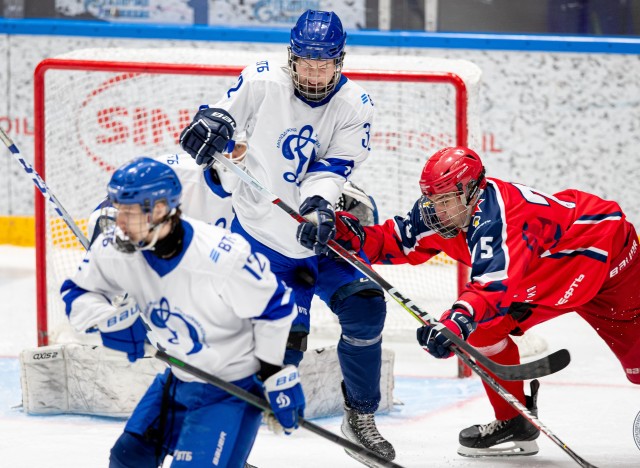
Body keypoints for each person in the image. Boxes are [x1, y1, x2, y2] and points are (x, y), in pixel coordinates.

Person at [178, 9, 395, 462]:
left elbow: (333, 168)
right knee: (277, 353)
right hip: (265, 239)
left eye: (325, 64)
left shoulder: (357, 106)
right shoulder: (260, 81)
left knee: (366, 306)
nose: (315, 73)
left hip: (324, 233)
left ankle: (359, 416)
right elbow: (219, 119)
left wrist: (318, 205)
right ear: (291, 58)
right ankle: (229, 453)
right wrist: (208, 128)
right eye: (307, 63)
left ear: (341, 61)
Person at [334, 146, 640, 457]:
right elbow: (398, 241)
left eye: (444, 199)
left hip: (605, 260)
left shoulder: (502, 216)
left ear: (470, 191)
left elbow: (493, 284)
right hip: (537, 278)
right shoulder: (443, 215)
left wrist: (455, 321)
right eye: (430, 198)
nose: (435, 209)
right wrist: (347, 237)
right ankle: (514, 422)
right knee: (481, 330)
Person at [60, 157, 304, 468]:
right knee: (128, 459)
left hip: (230, 388)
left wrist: (274, 373)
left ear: (160, 210)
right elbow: (78, 292)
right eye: (119, 209)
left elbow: (276, 306)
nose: (119, 222)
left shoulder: (220, 255)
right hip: (178, 377)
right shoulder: (117, 245)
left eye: (129, 212)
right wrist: (106, 319)